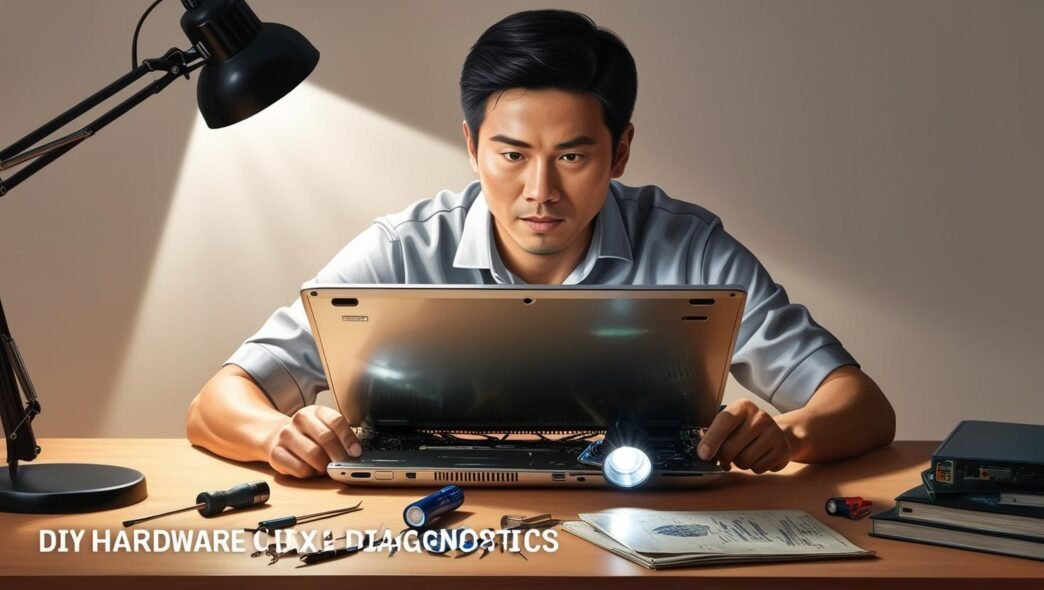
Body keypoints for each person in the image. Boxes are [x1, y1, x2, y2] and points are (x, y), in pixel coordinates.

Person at [186, 9, 895, 479]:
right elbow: (218, 400)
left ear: (620, 153)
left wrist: (791, 436)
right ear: (471, 147)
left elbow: (861, 404)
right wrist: (273, 436)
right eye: (512, 154)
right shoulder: (404, 249)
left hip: (641, 519)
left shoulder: (690, 246)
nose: (540, 190)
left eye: (573, 157)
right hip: (433, 528)